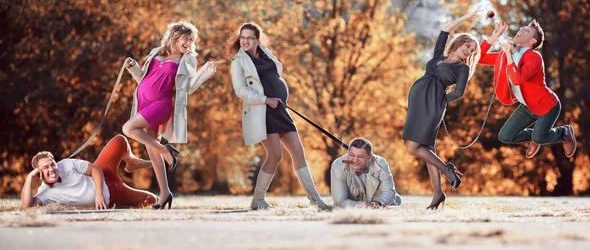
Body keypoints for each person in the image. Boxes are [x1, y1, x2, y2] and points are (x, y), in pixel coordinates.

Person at [228, 22, 331, 211]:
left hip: (280, 109)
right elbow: (241, 91)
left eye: (250, 38)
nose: (245, 41)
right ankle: (258, 199)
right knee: (275, 154)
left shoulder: (266, 52)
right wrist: (266, 99)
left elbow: (276, 76)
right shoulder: (238, 61)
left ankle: (316, 201)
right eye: (242, 37)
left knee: (299, 153)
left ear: (257, 40)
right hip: (263, 112)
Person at [123, 21, 224, 209]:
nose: (189, 43)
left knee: (128, 128)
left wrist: (208, 70)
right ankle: (165, 193)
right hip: (143, 103)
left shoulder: (188, 60)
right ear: (174, 37)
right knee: (151, 149)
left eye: (192, 40)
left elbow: (190, 87)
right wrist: (132, 67)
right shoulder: (155, 52)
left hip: (161, 104)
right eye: (186, 39)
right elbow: (142, 78)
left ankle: (165, 150)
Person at [402, 6, 483, 209]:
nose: (468, 51)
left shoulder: (462, 68)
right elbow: (445, 30)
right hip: (418, 99)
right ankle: (438, 193)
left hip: (433, 103)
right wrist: (467, 16)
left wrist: (441, 100)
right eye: (468, 46)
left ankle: (448, 170)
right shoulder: (440, 55)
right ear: (459, 43)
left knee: (412, 146)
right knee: (428, 148)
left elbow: (459, 92)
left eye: (472, 50)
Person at [480, 21, 577, 159]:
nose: (521, 30)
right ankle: (535, 135)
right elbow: (480, 57)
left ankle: (564, 132)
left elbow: (517, 79)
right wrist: (493, 37)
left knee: (539, 138)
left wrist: (508, 54)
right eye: (522, 28)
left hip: (547, 106)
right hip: (527, 106)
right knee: (505, 136)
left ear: (532, 41)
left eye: (526, 30)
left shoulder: (534, 57)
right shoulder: (509, 55)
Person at [21, 135, 155, 209]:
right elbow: (27, 205)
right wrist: (28, 178)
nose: (51, 169)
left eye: (52, 164)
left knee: (119, 140)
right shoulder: (45, 194)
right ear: (38, 173)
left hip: (106, 174)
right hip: (116, 196)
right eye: (45, 168)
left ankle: (131, 161)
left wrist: (99, 194)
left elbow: (96, 169)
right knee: (152, 200)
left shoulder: (66, 164)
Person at [330, 138, 402, 208]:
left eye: (360, 156)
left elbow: (388, 191)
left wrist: (378, 202)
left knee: (396, 199)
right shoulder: (338, 165)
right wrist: (362, 205)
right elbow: (339, 201)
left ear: (370, 157)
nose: (355, 160)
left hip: (375, 198)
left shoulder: (381, 163)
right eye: (351, 155)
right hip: (352, 201)